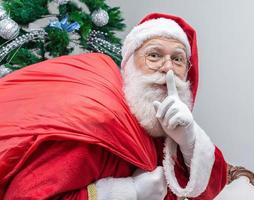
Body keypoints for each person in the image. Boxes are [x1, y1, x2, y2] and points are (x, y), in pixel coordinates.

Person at [0, 13, 227, 199]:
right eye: (154, 55)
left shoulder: (170, 125)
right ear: (129, 66)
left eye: (178, 59)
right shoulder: (100, 122)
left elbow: (213, 189)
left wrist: (189, 143)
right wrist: (126, 192)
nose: (167, 68)